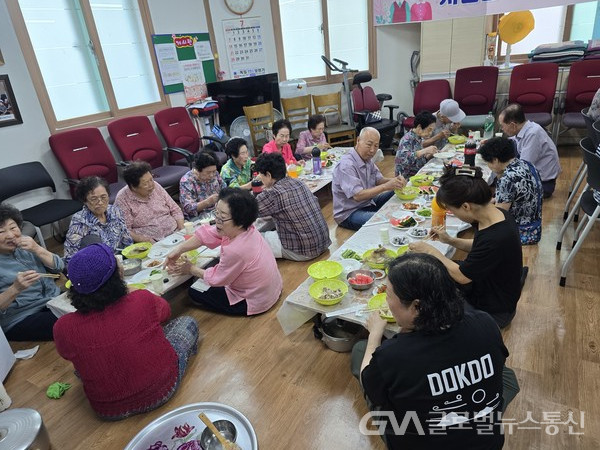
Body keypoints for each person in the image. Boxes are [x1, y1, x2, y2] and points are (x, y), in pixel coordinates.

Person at [352, 253, 519, 450]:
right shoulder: (486, 322)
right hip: (489, 443)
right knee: (506, 375)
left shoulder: (393, 355)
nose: (387, 301)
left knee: (361, 351)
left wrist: (374, 335)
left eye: (388, 295)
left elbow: (367, 380)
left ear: (416, 306)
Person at [53, 243, 198, 420]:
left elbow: (66, 354)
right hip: (161, 390)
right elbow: (165, 313)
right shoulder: (140, 299)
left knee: (85, 363)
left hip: (107, 410)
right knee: (187, 322)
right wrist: (130, 290)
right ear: (117, 276)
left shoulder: (63, 327)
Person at [409, 166, 523, 328]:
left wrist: (430, 251)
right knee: (434, 273)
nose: (453, 214)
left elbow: (463, 276)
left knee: (431, 301)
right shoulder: (498, 215)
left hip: (495, 312)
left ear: (466, 206)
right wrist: (450, 240)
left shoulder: (496, 236)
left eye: (451, 210)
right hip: (490, 288)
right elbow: (480, 247)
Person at [165, 188, 282, 316]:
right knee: (205, 274)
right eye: (217, 213)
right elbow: (207, 233)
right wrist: (178, 249)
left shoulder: (237, 250)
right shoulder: (246, 228)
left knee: (194, 290)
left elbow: (218, 279)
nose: (217, 221)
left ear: (240, 221)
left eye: (222, 217)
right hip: (270, 289)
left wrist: (191, 269)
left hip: (254, 300)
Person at [0, 203, 64, 341]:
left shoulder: (26, 245)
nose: (10, 235)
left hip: (52, 299)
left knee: (90, 299)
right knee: (72, 323)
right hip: (21, 317)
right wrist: (15, 289)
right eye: (1, 231)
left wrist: (37, 249)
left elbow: (59, 267)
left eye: (13, 227)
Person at [254, 153, 331, 260]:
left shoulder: (272, 193)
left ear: (268, 175)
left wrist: (252, 184)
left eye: (260, 175)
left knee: (251, 239)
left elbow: (250, 212)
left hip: (305, 251)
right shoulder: (298, 182)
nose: (259, 178)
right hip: (323, 243)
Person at [332, 127, 407, 230]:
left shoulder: (366, 158)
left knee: (397, 191)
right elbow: (358, 196)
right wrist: (386, 186)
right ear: (358, 140)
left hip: (367, 202)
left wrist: (395, 181)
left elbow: (379, 180)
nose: (372, 150)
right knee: (386, 222)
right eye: (369, 144)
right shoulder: (346, 165)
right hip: (349, 213)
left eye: (376, 146)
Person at [479, 137, 543, 245]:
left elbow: (498, 215)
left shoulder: (507, 179)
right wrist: (494, 200)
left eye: (488, 162)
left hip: (520, 233)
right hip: (535, 227)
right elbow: (518, 196)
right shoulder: (526, 164)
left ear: (495, 160)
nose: (489, 167)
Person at [63, 176, 132, 263]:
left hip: (120, 259)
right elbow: (70, 256)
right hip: (97, 265)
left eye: (103, 197)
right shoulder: (80, 221)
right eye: (94, 199)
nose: (100, 202)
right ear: (85, 200)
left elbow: (126, 239)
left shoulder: (114, 211)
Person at [498, 103, 561, 198]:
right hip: (534, 177)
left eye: (502, 126)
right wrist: (495, 142)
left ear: (513, 125)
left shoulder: (533, 134)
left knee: (502, 189)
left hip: (543, 184)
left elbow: (524, 168)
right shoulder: (526, 127)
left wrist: (500, 169)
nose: (502, 129)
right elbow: (513, 141)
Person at [115, 161, 184, 243]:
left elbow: (175, 209)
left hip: (175, 232)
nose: (151, 185)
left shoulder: (156, 186)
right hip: (150, 243)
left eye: (151, 179)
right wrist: (144, 240)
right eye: (145, 184)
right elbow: (125, 230)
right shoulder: (123, 199)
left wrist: (181, 228)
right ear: (133, 187)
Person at [179, 151, 227, 220]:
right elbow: (188, 208)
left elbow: (224, 188)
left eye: (214, 171)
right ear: (198, 170)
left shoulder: (214, 173)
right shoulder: (187, 181)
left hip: (217, 210)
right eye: (208, 172)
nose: (212, 175)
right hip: (199, 217)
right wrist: (208, 202)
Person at [395, 111, 438, 177]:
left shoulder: (418, 137)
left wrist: (430, 154)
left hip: (418, 172)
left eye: (432, 130)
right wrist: (425, 150)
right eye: (429, 129)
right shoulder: (407, 139)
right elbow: (403, 159)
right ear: (419, 126)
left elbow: (419, 159)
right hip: (406, 178)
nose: (430, 133)